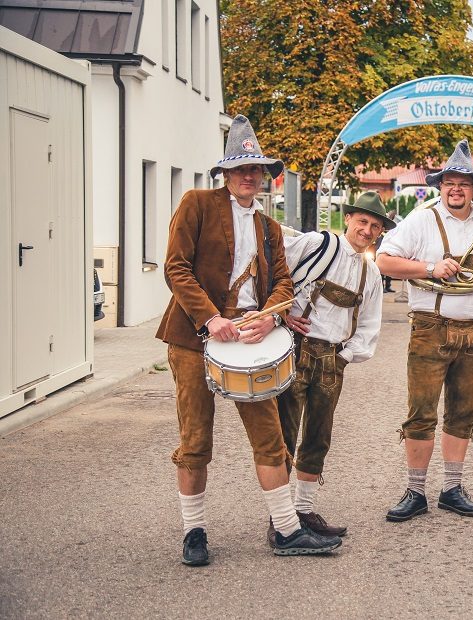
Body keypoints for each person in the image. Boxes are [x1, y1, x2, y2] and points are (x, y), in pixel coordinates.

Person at [156, 115, 341, 565]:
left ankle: (286, 531)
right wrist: (210, 319)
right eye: (240, 168)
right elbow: (175, 267)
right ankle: (193, 532)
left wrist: (271, 319)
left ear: (264, 176)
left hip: (251, 338)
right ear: (225, 173)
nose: (248, 176)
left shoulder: (268, 226)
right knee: (196, 438)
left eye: (255, 169)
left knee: (270, 437)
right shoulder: (196, 204)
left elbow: (282, 284)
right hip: (193, 338)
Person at [376, 139, 473, 522]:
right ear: (439, 186)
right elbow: (384, 260)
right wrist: (429, 268)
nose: (455, 189)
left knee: (464, 412)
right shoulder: (423, 219)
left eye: (464, 182)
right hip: (431, 327)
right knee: (421, 412)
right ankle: (415, 491)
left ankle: (452, 488)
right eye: (449, 182)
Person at [274, 191, 391, 540]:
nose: (367, 231)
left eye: (375, 226)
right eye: (362, 222)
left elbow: (370, 324)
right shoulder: (317, 244)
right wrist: (281, 316)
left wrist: (345, 356)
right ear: (349, 220)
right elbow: (274, 272)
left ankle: (303, 511)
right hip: (295, 350)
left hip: (332, 359)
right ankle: (280, 518)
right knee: (284, 435)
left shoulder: (371, 274)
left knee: (317, 437)